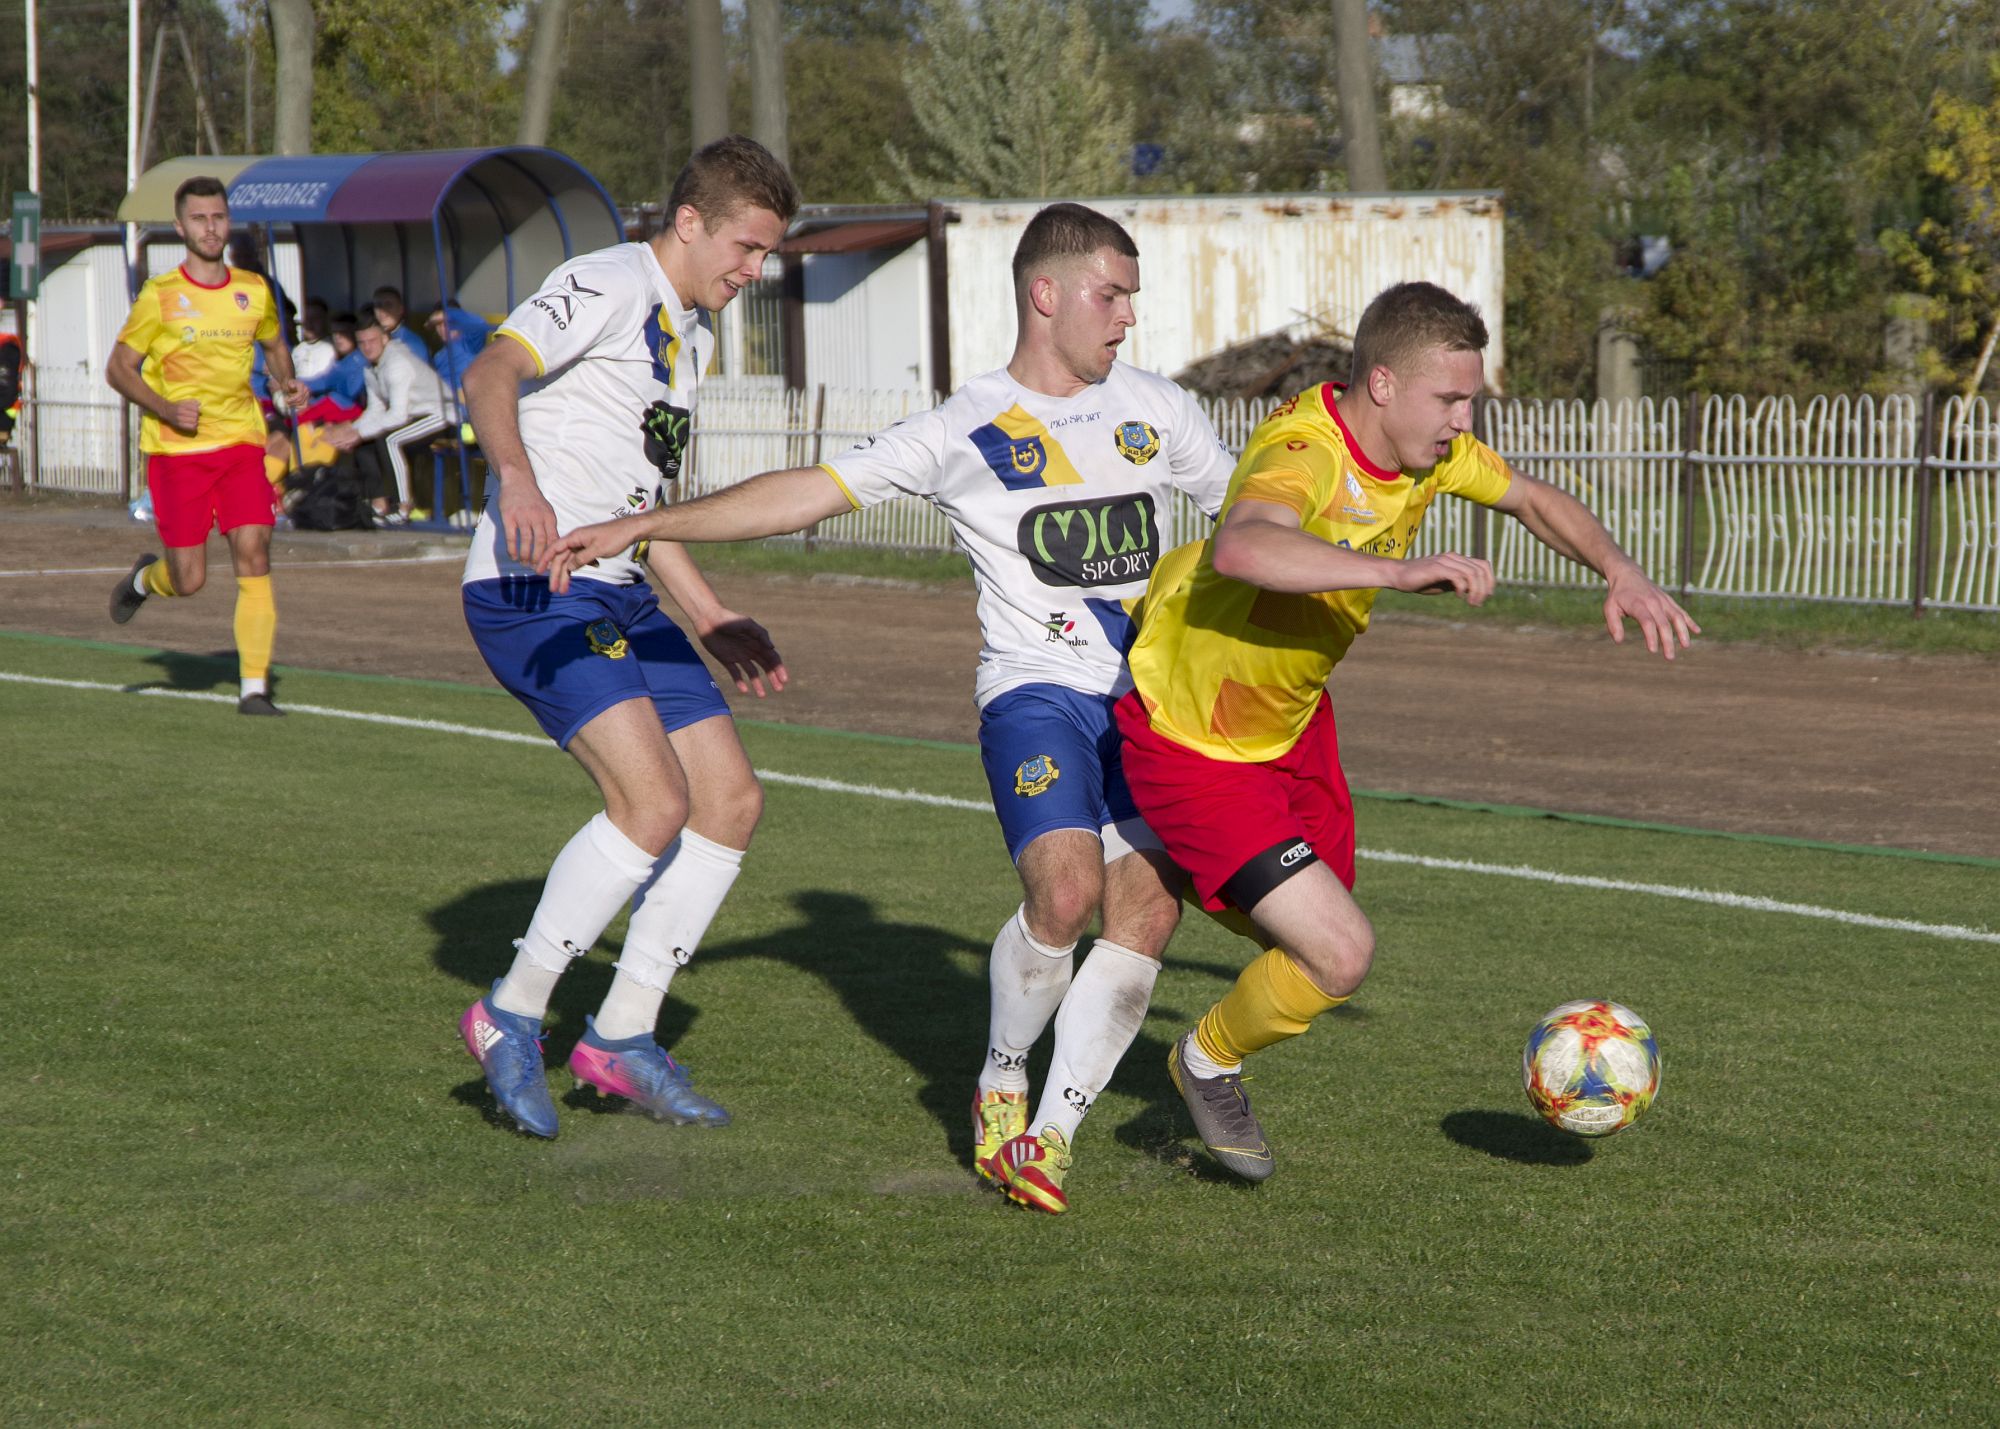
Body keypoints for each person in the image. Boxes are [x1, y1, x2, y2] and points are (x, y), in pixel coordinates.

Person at [540, 202, 1237, 1213]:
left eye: (1131, 297)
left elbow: (1247, 520)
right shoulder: (965, 428)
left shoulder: (1159, 410)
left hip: (1147, 706)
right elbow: (807, 492)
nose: (1128, 315)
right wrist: (645, 524)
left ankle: (1049, 1136)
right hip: (1035, 695)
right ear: (1045, 295)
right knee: (1064, 895)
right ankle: (1003, 1073)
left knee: (1150, 910)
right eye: (1112, 294)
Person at [1112, 280, 1700, 1182]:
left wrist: (1618, 569)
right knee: (1337, 951)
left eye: (1471, 399)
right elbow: (1243, 546)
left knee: (1310, 937)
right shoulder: (1304, 451)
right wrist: (1395, 570)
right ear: (1382, 385)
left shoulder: (1427, 456)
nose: (1465, 420)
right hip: (1198, 739)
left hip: (1291, 726)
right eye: (1451, 398)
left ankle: (1169, 865)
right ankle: (1205, 1059)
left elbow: (1532, 499)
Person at [453, 134, 801, 1141]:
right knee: (652, 804)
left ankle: (620, 1036)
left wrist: (708, 612)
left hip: (622, 590)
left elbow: (642, 506)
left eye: (766, 253)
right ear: (689, 222)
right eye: (745, 246)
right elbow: (489, 373)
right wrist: (517, 480)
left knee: (730, 801)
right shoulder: (605, 282)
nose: (754, 270)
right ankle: (512, 1010)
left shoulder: (692, 336)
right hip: (537, 586)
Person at [104, 175, 308, 717]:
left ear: (228, 222)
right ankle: (145, 579)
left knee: (254, 551)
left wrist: (287, 384)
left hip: (241, 444)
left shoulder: (254, 290)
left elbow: (274, 345)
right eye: (199, 218)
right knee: (188, 579)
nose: (210, 227)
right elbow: (118, 369)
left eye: (218, 217)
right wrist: (166, 408)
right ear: (180, 227)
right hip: (178, 454)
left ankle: (254, 689)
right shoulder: (160, 296)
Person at [321, 312, 448, 522]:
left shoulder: (396, 363)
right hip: (413, 416)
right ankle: (379, 504)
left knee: (390, 440)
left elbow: (398, 415)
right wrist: (353, 430)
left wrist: (358, 433)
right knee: (365, 444)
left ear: (384, 338)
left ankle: (403, 507)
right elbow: (375, 410)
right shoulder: (370, 367)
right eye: (362, 342)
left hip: (441, 415)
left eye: (372, 341)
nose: (367, 347)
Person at [370, 286, 430, 363]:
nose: (383, 310)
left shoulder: (412, 343)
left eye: (388, 305)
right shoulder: (368, 340)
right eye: (378, 306)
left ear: (400, 309)